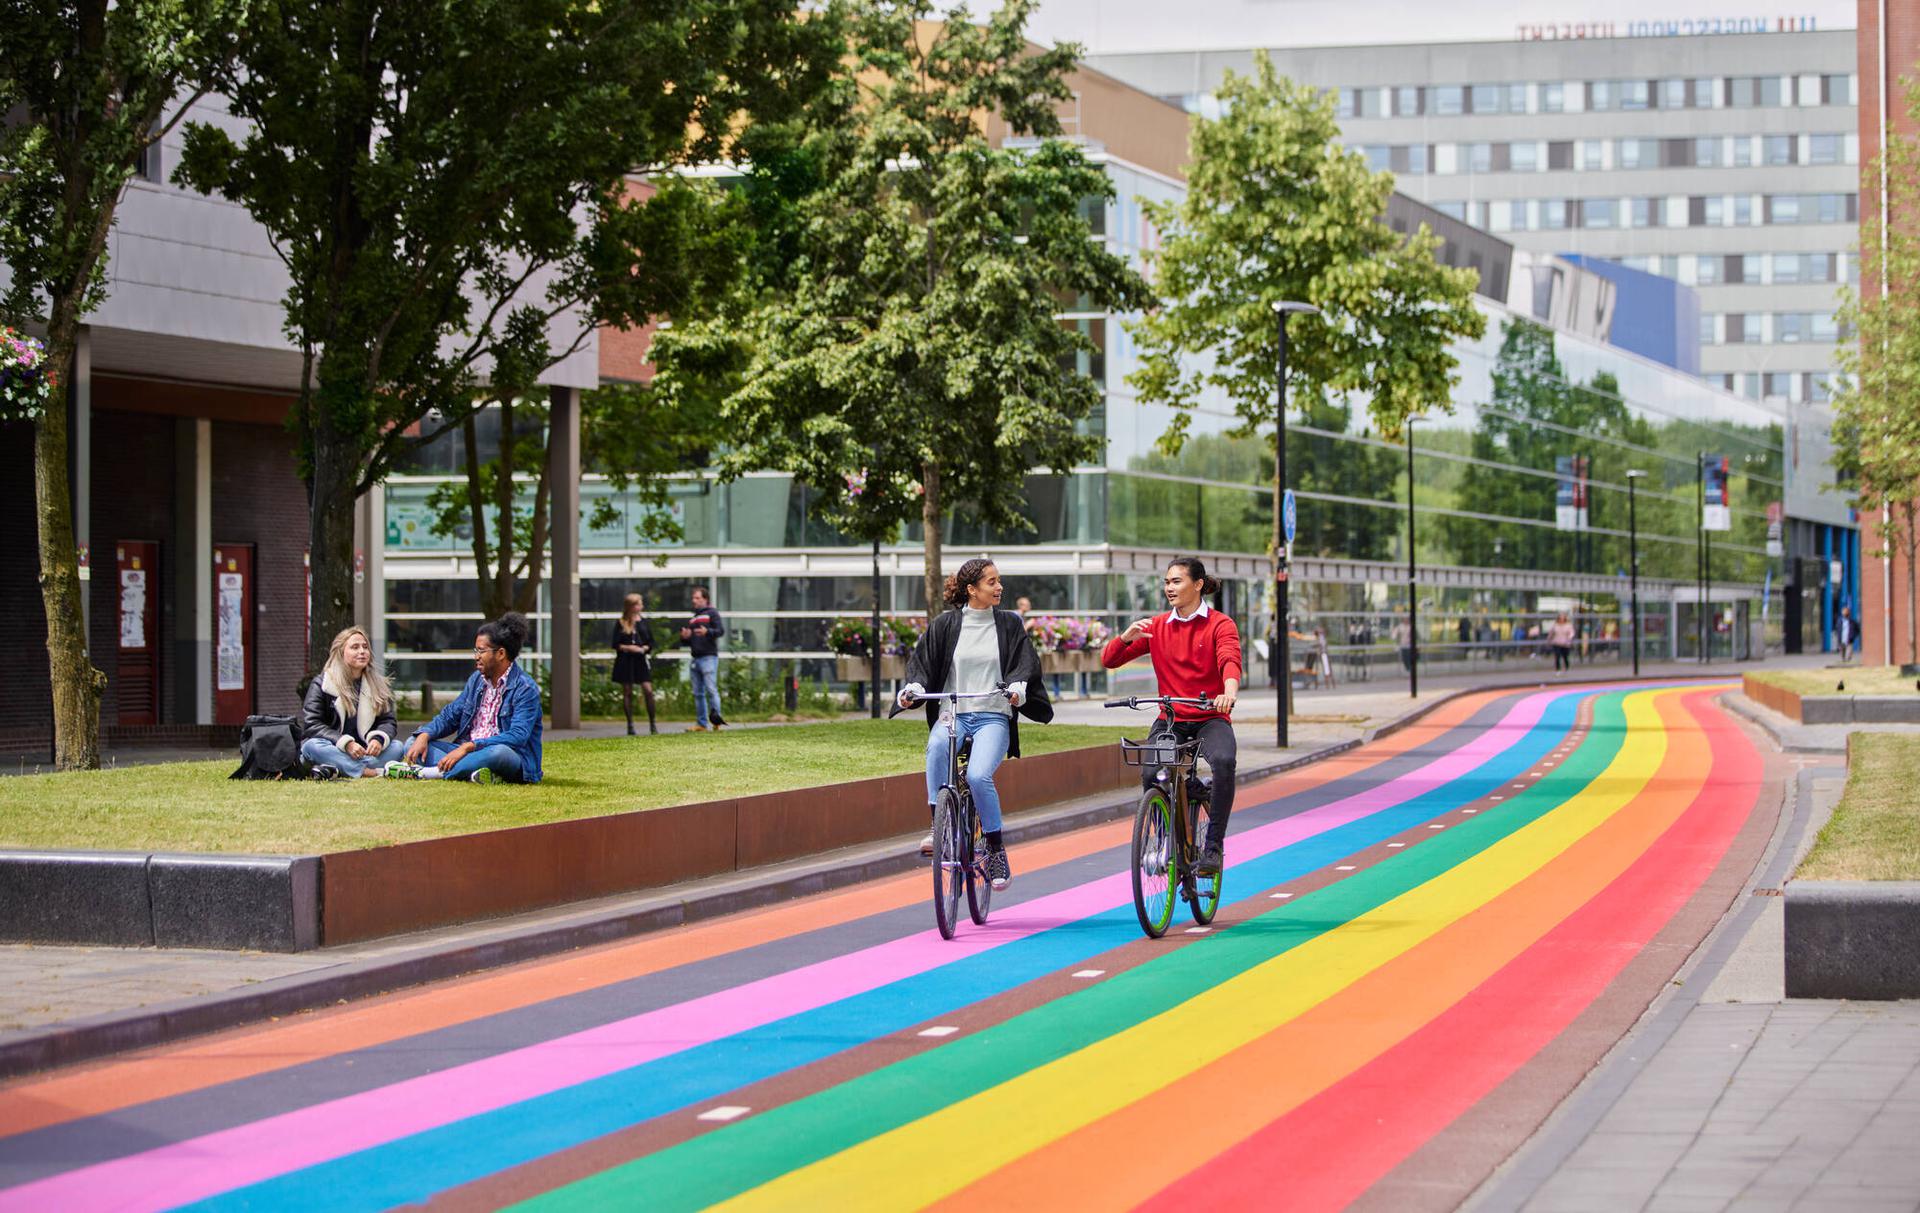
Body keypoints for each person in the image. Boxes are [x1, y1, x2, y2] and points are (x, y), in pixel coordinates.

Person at [899, 558, 1052, 890]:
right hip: (952, 712)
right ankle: (937, 827)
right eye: (991, 582)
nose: (999, 587)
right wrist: (913, 689)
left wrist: (1017, 688)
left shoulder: (1010, 623)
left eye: (999, 581)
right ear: (971, 590)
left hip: (993, 715)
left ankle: (996, 851)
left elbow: (1024, 664)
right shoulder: (945, 624)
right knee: (937, 747)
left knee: (978, 775)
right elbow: (922, 665)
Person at [1101, 556, 1241, 877]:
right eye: (1166, 582)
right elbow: (1109, 660)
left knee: (1223, 761)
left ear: (1198, 585)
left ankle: (1213, 847)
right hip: (1171, 718)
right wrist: (1125, 637)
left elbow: (1229, 660)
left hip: (1209, 716)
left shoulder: (1220, 624)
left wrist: (1228, 693)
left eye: (1176, 581)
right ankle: (1163, 841)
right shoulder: (1157, 626)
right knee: (1151, 773)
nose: (1169, 588)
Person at [387, 611, 544, 783]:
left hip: (506, 755)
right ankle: (476, 773)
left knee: (499, 753)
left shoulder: (525, 688)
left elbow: (518, 735)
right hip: (467, 751)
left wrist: (470, 747)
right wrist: (425, 734)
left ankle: (430, 773)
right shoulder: (477, 680)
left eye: (482, 651)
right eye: (475, 650)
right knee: (412, 743)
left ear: (500, 654)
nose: (476, 657)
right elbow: (451, 715)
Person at [300, 626, 406, 779]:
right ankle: (367, 771)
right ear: (341, 652)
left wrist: (378, 739)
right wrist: (346, 743)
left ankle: (341, 768)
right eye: (355, 647)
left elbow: (388, 721)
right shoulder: (323, 683)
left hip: (363, 751)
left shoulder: (378, 685)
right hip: (333, 747)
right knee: (312, 746)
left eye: (365, 647)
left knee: (397, 747)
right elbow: (312, 724)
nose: (362, 651)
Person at [681, 586, 727, 732]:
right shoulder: (693, 618)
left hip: (708, 658)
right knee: (698, 693)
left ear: (705, 599)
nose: (693, 601)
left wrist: (708, 631)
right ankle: (701, 724)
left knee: (711, 690)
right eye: (693, 598)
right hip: (695, 659)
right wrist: (685, 638)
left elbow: (720, 631)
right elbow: (690, 641)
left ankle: (716, 723)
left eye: (697, 598)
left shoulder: (712, 613)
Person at [612, 592, 657, 736]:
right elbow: (615, 643)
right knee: (627, 691)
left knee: (648, 690)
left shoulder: (643, 622)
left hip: (640, 660)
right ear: (631, 606)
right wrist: (628, 647)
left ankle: (653, 724)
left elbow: (651, 641)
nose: (641, 606)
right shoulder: (621, 622)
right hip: (626, 660)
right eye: (638, 603)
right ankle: (630, 725)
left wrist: (644, 648)